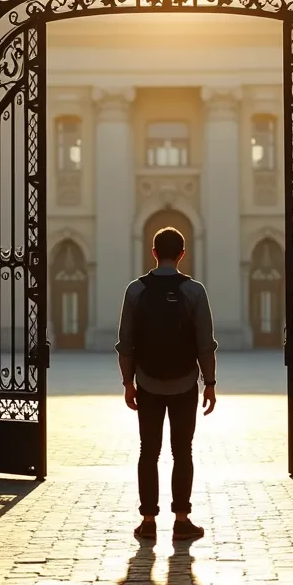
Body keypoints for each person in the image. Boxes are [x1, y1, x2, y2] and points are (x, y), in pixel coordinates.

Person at [115, 226, 218, 542]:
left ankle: (148, 521)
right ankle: (182, 520)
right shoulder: (194, 291)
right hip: (185, 383)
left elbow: (126, 344)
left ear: (154, 252)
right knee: (182, 451)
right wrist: (210, 383)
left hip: (147, 382)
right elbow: (205, 344)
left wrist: (128, 383)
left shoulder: (136, 290)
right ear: (183, 254)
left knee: (149, 451)